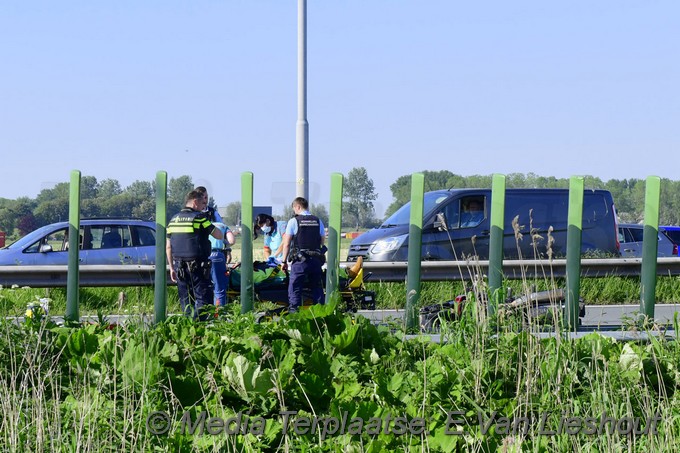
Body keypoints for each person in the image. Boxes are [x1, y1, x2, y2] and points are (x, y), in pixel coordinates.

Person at [166, 189, 224, 321]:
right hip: (198, 266)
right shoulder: (199, 218)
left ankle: (188, 327)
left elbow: (168, 246)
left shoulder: (173, 220)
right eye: (202, 204)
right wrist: (212, 222)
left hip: (179, 266)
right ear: (195, 202)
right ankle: (199, 328)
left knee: (186, 301)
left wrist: (171, 267)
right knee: (203, 299)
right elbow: (219, 235)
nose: (203, 207)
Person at [281, 197, 326, 313]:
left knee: (295, 287)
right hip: (315, 261)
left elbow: (286, 244)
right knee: (317, 287)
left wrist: (283, 261)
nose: (294, 211)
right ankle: (320, 313)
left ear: (298, 207)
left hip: (300, 261)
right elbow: (322, 240)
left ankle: (294, 312)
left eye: (294, 209)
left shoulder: (294, 221)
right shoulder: (317, 220)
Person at [195, 186, 232, 263]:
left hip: (213, 251)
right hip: (197, 251)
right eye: (203, 197)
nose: (205, 200)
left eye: (206, 197)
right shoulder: (192, 214)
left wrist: (228, 249)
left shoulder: (213, 213)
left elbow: (222, 229)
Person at [209, 221, 236, 307]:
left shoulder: (203, 222)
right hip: (217, 255)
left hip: (203, 254)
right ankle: (218, 315)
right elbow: (231, 241)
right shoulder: (222, 225)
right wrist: (225, 243)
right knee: (219, 288)